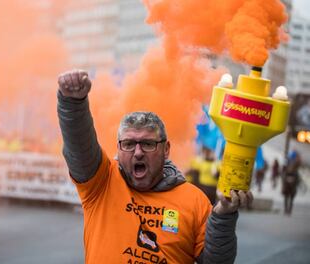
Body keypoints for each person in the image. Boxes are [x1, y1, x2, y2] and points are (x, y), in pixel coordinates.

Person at [57, 69, 253, 264]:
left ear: (166, 149)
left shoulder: (195, 201)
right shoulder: (102, 182)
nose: (138, 152)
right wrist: (72, 103)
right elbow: (79, 146)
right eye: (129, 144)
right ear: (119, 147)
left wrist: (223, 217)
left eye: (148, 144)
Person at [282, 150, 301, 215]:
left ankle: (287, 210)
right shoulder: (291, 161)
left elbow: (283, 169)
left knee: (288, 196)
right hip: (290, 177)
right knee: (289, 197)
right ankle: (288, 210)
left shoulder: (290, 161)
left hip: (291, 177)